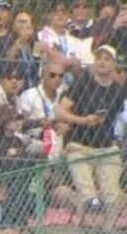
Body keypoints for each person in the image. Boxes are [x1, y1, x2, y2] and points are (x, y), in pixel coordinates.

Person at [56, 44, 126, 212]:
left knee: (112, 198)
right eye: (99, 58)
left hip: (106, 146)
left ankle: (107, 229)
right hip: (80, 144)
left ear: (114, 64)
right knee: (89, 196)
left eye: (107, 59)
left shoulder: (119, 90)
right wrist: (83, 120)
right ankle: (90, 203)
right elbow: (59, 111)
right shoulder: (83, 84)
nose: (102, 62)